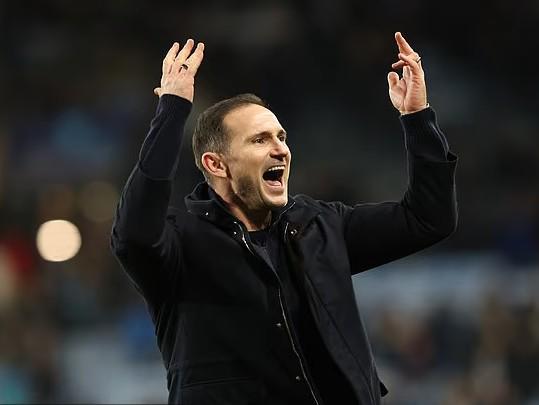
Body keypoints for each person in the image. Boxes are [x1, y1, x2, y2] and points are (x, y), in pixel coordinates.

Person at [111, 32, 458, 405]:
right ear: (216, 164)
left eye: (281, 137)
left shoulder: (319, 225)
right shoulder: (180, 242)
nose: (281, 149)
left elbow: (428, 218)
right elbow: (133, 235)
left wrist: (417, 118)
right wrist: (172, 110)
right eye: (260, 140)